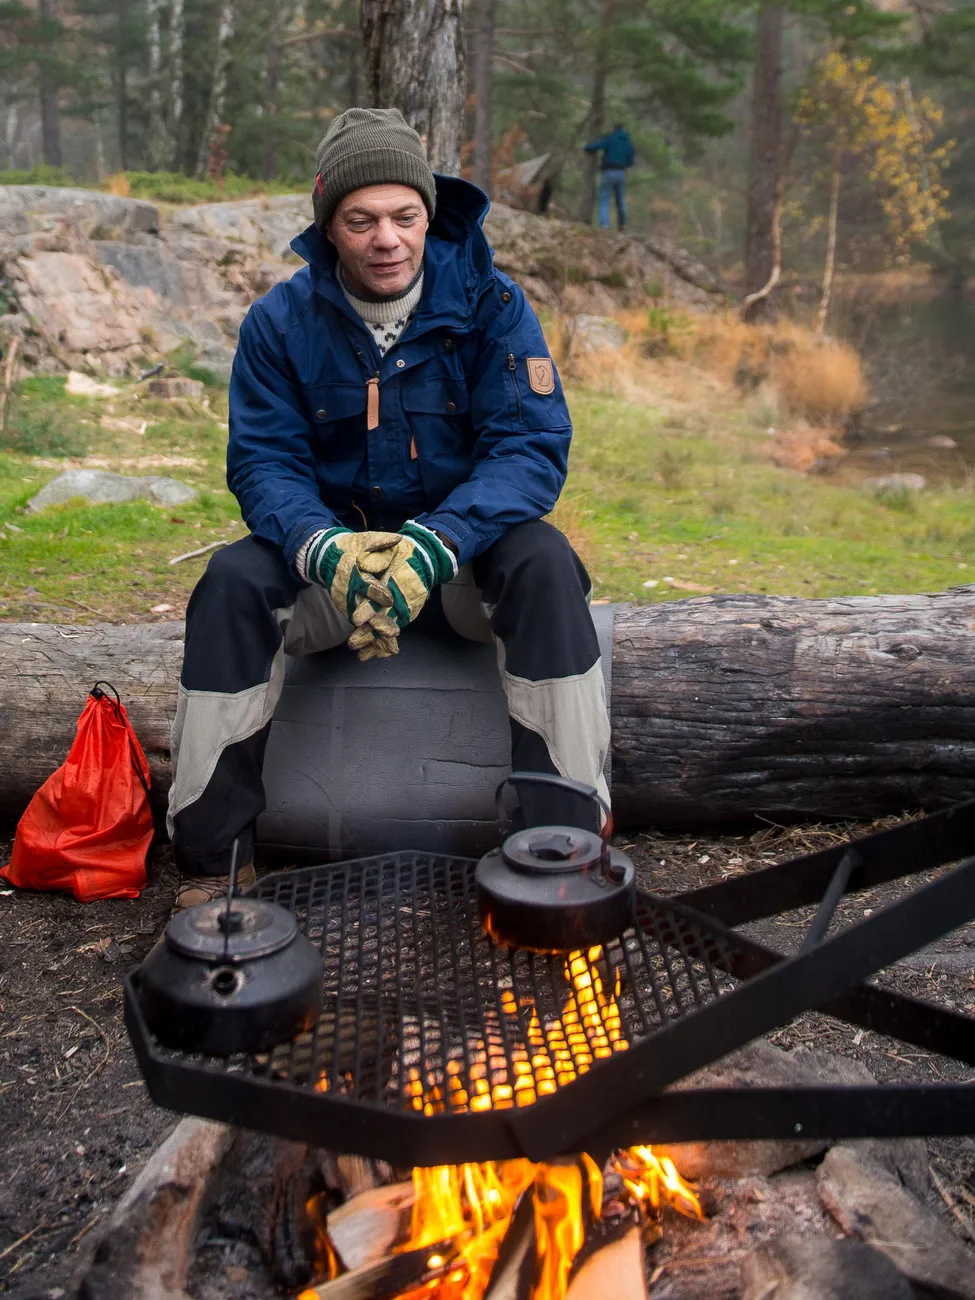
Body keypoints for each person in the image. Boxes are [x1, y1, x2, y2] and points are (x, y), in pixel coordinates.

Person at [168, 107, 612, 909]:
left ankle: (563, 854)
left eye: (404, 217)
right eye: (361, 220)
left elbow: (528, 449)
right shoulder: (279, 323)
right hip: (335, 575)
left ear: (427, 215)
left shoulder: (493, 308)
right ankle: (213, 864)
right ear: (327, 225)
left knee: (546, 563)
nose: (387, 240)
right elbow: (263, 463)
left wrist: (438, 543)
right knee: (231, 581)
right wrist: (321, 547)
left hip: (458, 569)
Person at [584, 123, 635, 231]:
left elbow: (598, 146)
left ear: (613, 129)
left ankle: (604, 225)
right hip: (621, 172)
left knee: (604, 198)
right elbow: (630, 161)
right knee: (620, 199)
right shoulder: (628, 142)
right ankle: (622, 223)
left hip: (608, 171)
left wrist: (587, 147)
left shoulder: (610, 138)